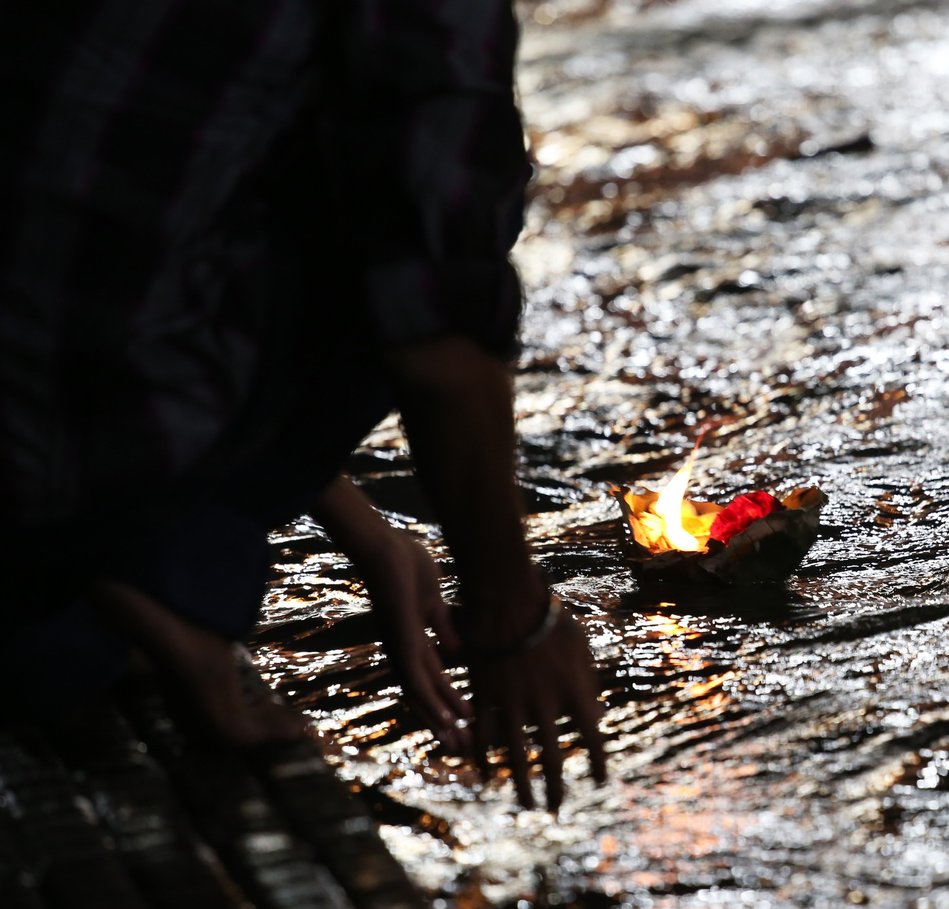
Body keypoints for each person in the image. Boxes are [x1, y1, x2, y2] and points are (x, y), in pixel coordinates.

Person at [0, 0, 605, 812]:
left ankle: (121, 565)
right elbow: (435, 328)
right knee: (449, 205)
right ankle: (141, 584)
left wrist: (372, 534)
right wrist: (512, 613)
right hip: (39, 477)